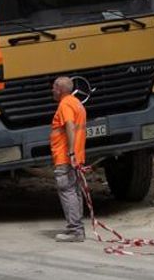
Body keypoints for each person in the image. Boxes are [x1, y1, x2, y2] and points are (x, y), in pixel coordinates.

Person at [50, 76, 88, 242]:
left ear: (59, 89)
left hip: (65, 156)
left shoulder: (65, 105)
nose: (52, 90)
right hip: (77, 156)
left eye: (53, 87)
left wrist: (70, 152)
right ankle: (77, 228)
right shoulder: (76, 103)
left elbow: (70, 126)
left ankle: (75, 231)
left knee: (67, 191)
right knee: (75, 191)